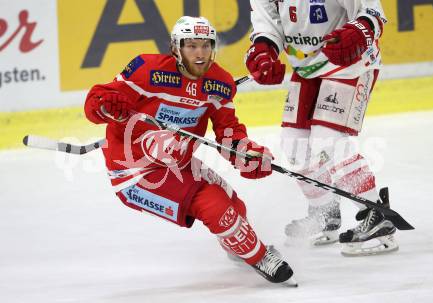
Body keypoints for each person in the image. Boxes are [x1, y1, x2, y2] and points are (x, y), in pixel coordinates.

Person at [83, 16, 297, 285]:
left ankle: (238, 246)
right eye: (191, 46)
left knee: (236, 209)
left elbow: (228, 132)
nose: (199, 54)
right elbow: (98, 98)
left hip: (177, 163)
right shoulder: (146, 69)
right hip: (135, 172)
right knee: (214, 204)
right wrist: (105, 104)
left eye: (206, 46)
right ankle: (262, 258)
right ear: (176, 48)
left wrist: (246, 154)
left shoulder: (219, 83)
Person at [245, 1, 398, 256]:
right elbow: (267, 23)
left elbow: (372, 11)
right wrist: (263, 50)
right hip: (307, 67)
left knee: (329, 141)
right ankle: (324, 212)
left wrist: (359, 31)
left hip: (350, 62)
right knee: (294, 144)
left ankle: (377, 214)